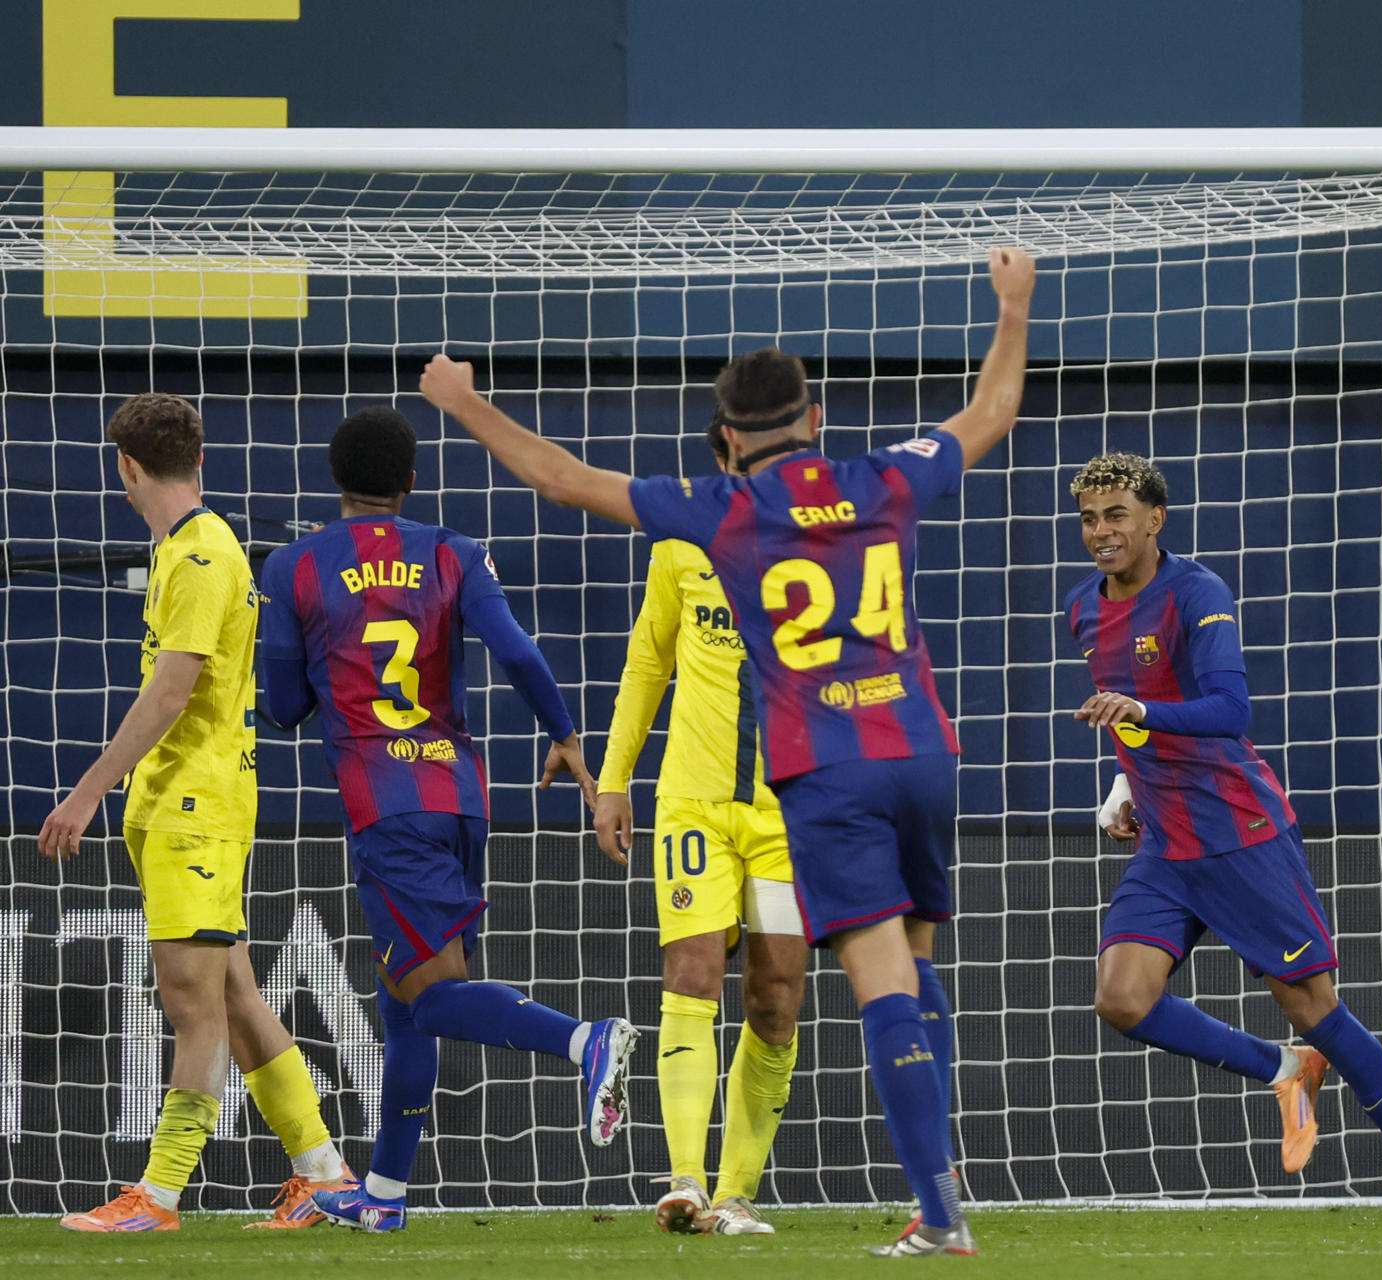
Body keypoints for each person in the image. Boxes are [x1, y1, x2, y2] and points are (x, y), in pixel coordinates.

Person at [420, 244, 1035, 1256]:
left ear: (727, 438)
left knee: (875, 979)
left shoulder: (724, 512)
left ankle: (939, 1211)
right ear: (816, 417)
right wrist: (1011, 306)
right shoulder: (884, 480)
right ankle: (931, 1167)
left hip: (824, 768)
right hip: (923, 748)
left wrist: (464, 402)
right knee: (917, 969)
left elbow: (563, 478)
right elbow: (991, 414)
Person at [256, 406, 636, 1233]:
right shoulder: (454, 553)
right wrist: (569, 742)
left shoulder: (293, 568)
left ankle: (585, 1041)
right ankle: (383, 1198)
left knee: (432, 999)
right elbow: (518, 653)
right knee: (400, 997)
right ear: (413, 482)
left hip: (385, 807)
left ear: (335, 481)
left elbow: (283, 706)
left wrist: (321, 664)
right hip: (460, 796)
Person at [1063, 452, 1382, 1222]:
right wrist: (1123, 783)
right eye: (1089, 518)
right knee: (1121, 999)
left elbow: (1228, 710)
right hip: (1166, 842)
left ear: (1155, 519)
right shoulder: (1083, 606)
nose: (1101, 533)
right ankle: (1285, 1069)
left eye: (1116, 515)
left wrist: (1138, 718)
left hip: (1238, 830)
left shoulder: (1196, 592)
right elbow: (1136, 707)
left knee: (1312, 1002)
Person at [40, 393, 352, 1232]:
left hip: (195, 805)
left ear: (127, 468)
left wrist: (86, 791)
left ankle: (162, 1194)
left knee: (191, 1001)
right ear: (200, 460)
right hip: (180, 805)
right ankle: (324, 1173)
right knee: (239, 996)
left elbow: (173, 689)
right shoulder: (188, 547)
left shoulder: (203, 557)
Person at [595, 410, 807, 1237]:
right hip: (691, 801)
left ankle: (737, 1192)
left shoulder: (825, 542)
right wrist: (614, 782)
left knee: (776, 997)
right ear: (725, 445)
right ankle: (683, 1177)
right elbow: (649, 659)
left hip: (791, 815)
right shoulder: (681, 546)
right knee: (690, 972)